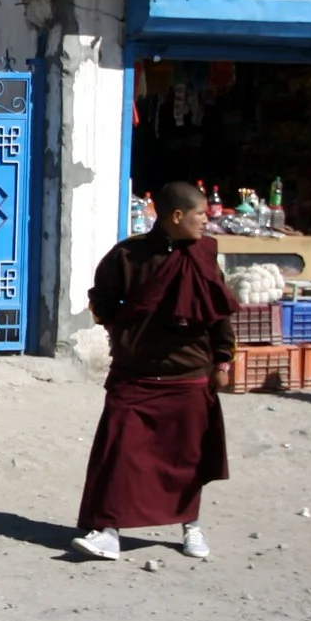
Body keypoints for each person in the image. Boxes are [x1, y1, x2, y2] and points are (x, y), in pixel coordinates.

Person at [72, 181, 234, 562]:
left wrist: (223, 360)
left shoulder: (205, 255)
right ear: (176, 216)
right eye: (200, 215)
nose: (205, 222)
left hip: (189, 372)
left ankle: (190, 524)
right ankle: (108, 530)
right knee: (119, 452)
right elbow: (101, 299)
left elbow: (220, 313)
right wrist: (123, 330)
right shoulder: (128, 256)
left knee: (187, 456)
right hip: (136, 372)